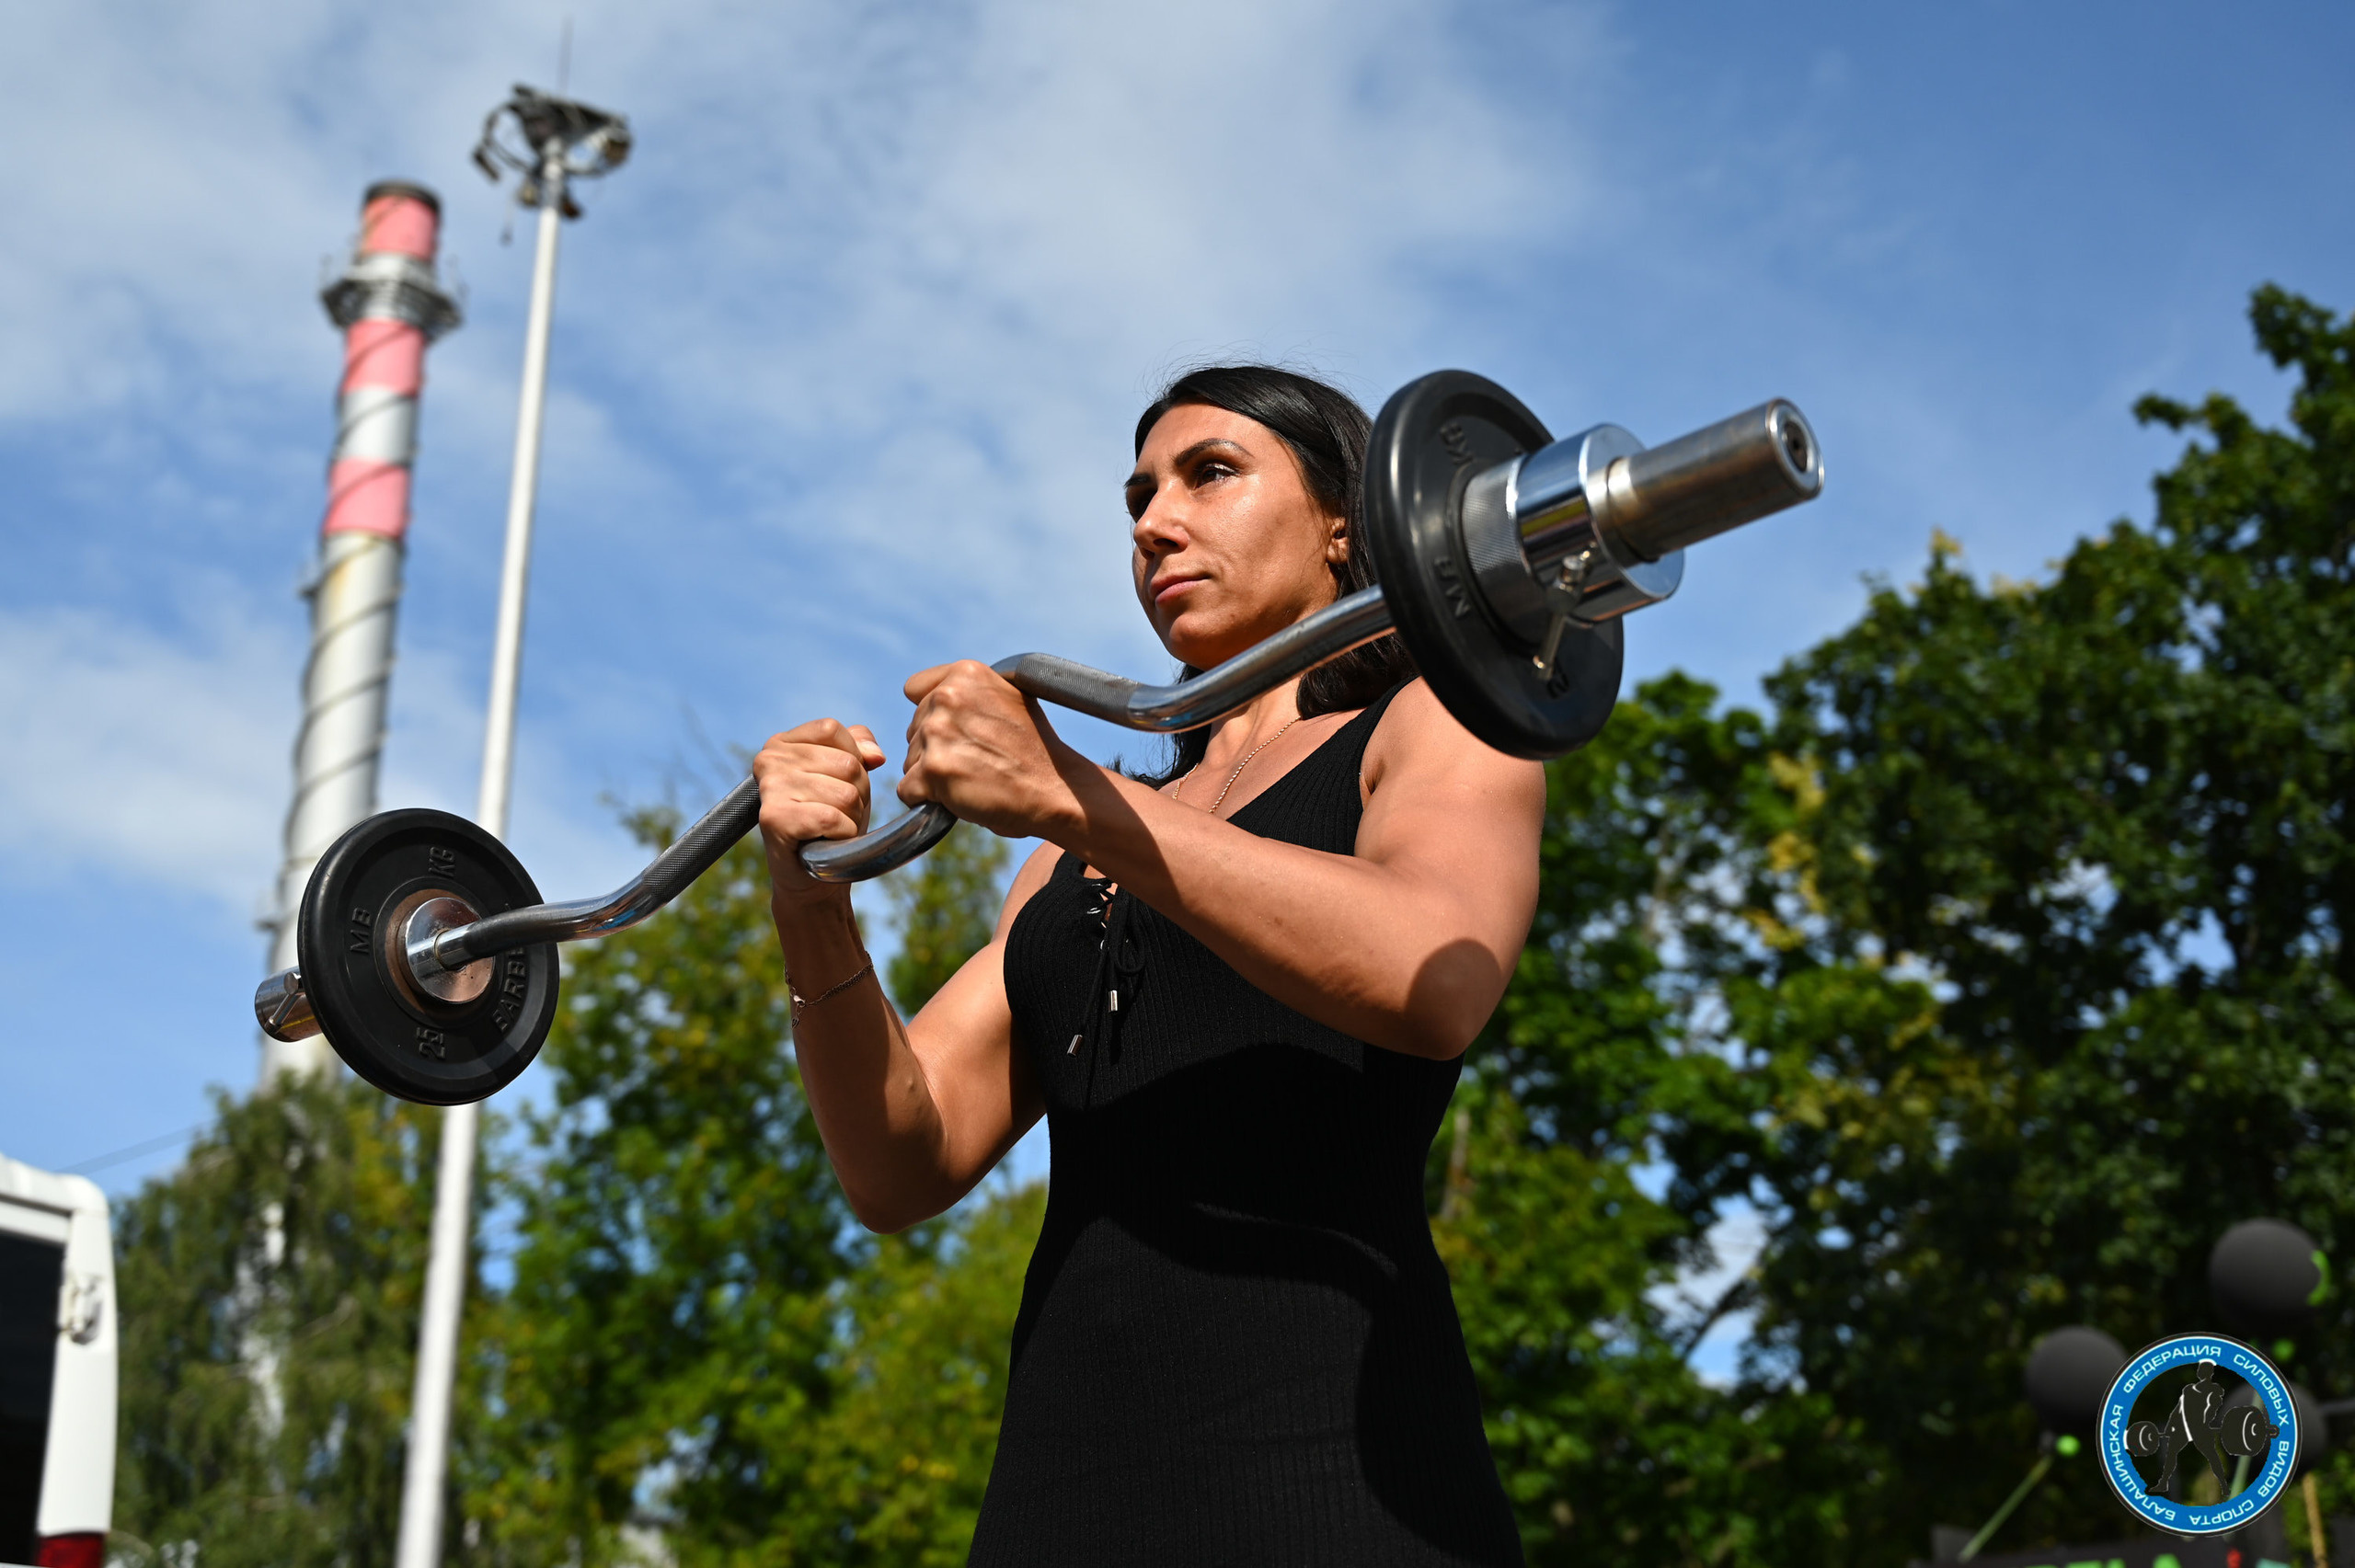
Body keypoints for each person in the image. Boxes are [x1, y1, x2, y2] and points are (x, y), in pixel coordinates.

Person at [753, 365, 1544, 1564]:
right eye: (1137, 496)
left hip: (1340, 1485)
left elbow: (1434, 977)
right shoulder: (1072, 849)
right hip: (1058, 1500)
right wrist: (808, 897)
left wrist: (1074, 797)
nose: (1152, 522)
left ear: (1347, 523)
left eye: (1208, 473)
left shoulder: (1432, 723)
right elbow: (898, 1163)